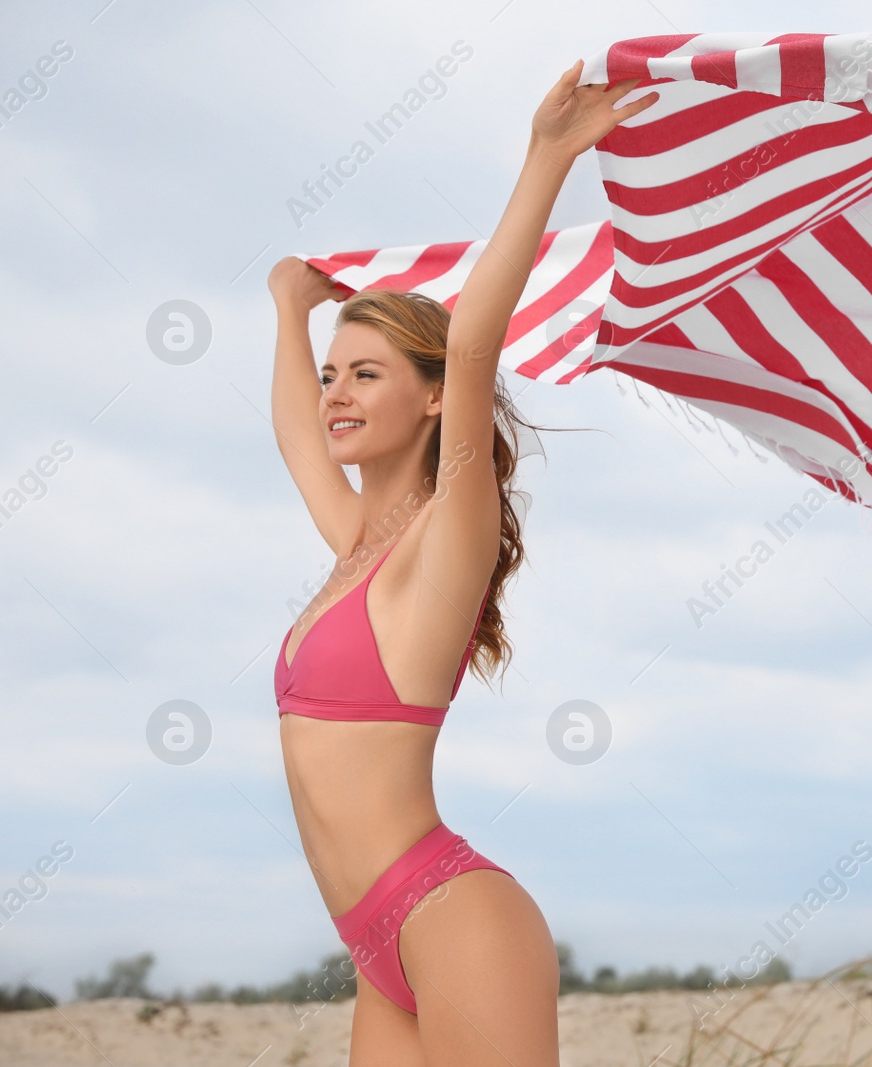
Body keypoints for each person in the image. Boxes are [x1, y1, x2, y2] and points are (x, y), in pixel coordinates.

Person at [264, 60, 658, 1067]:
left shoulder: (452, 525)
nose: (335, 394)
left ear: (433, 397)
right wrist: (288, 310)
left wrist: (547, 157)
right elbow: (295, 439)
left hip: (452, 915)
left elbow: (474, 341)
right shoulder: (360, 547)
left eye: (366, 373)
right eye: (329, 376)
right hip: (375, 945)